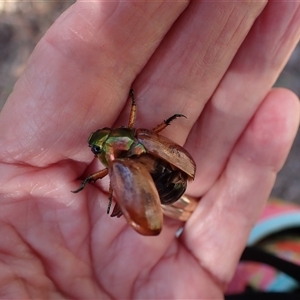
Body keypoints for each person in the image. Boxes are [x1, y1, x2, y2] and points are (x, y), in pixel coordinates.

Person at [0, 1, 299, 298]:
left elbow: (116, 174)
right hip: (172, 183)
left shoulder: (117, 164)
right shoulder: (136, 139)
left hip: (173, 186)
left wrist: (95, 181)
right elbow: (137, 129)